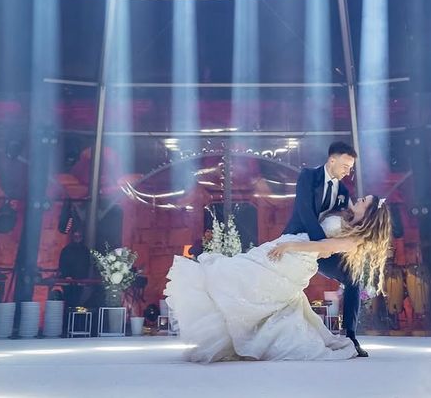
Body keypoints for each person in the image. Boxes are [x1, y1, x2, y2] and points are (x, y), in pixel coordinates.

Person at [165, 194, 391, 362]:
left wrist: (290, 246)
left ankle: (246, 332)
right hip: (289, 246)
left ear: (368, 213)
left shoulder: (355, 239)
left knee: (249, 280)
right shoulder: (346, 216)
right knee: (246, 273)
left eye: (364, 201)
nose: (359, 199)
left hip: (297, 256)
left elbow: (323, 246)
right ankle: (236, 328)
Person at [283, 140, 367, 355]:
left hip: (323, 248)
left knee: (353, 277)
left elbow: (347, 220)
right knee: (282, 287)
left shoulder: (343, 190)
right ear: (332, 160)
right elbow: (305, 212)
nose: (348, 172)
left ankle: (350, 337)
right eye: (345, 166)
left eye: (350, 168)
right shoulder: (308, 176)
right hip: (299, 242)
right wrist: (321, 245)